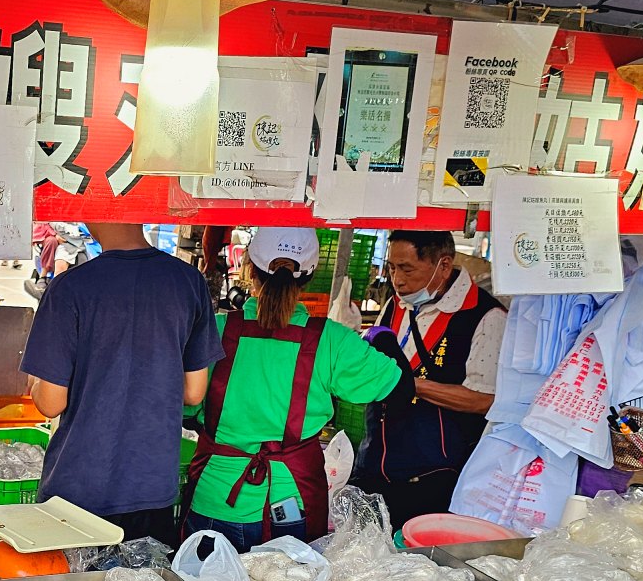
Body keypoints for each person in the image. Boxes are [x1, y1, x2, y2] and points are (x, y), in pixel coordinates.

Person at [185, 228, 409, 548]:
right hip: (291, 502)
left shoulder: (217, 330)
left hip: (215, 496)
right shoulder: (332, 340)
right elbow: (399, 387)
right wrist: (383, 335)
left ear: (249, 267)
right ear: (311, 275)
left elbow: (187, 408)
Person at [22, 222, 223, 544]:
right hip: (153, 484)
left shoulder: (70, 287)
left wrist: (35, 380)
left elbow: (50, 402)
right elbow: (194, 392)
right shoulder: (187, 281)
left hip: (80, 485)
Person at [353, 229, 506, 528]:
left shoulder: (484, 316)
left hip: (432, 477)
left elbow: (485, 401)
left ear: (444, 265)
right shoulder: (396, 304)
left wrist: (409, 385)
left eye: (407, 268)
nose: (397, 279)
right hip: (374, 465)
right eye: (392, 267)